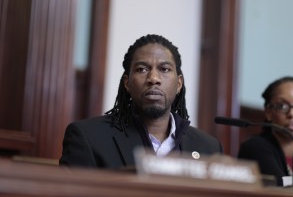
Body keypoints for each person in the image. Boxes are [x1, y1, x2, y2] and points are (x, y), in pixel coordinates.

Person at [59, 34, 223, 169]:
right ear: (127, 83)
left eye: (164, 69)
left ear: (179, 83)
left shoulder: (210, 148)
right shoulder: (88, 137)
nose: (153, 78)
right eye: (142, 69)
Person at [238, 76, 293, 187]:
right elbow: (279, 188)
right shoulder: (255, 147)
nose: (292, 114)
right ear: (268, 112)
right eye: (282, 106)